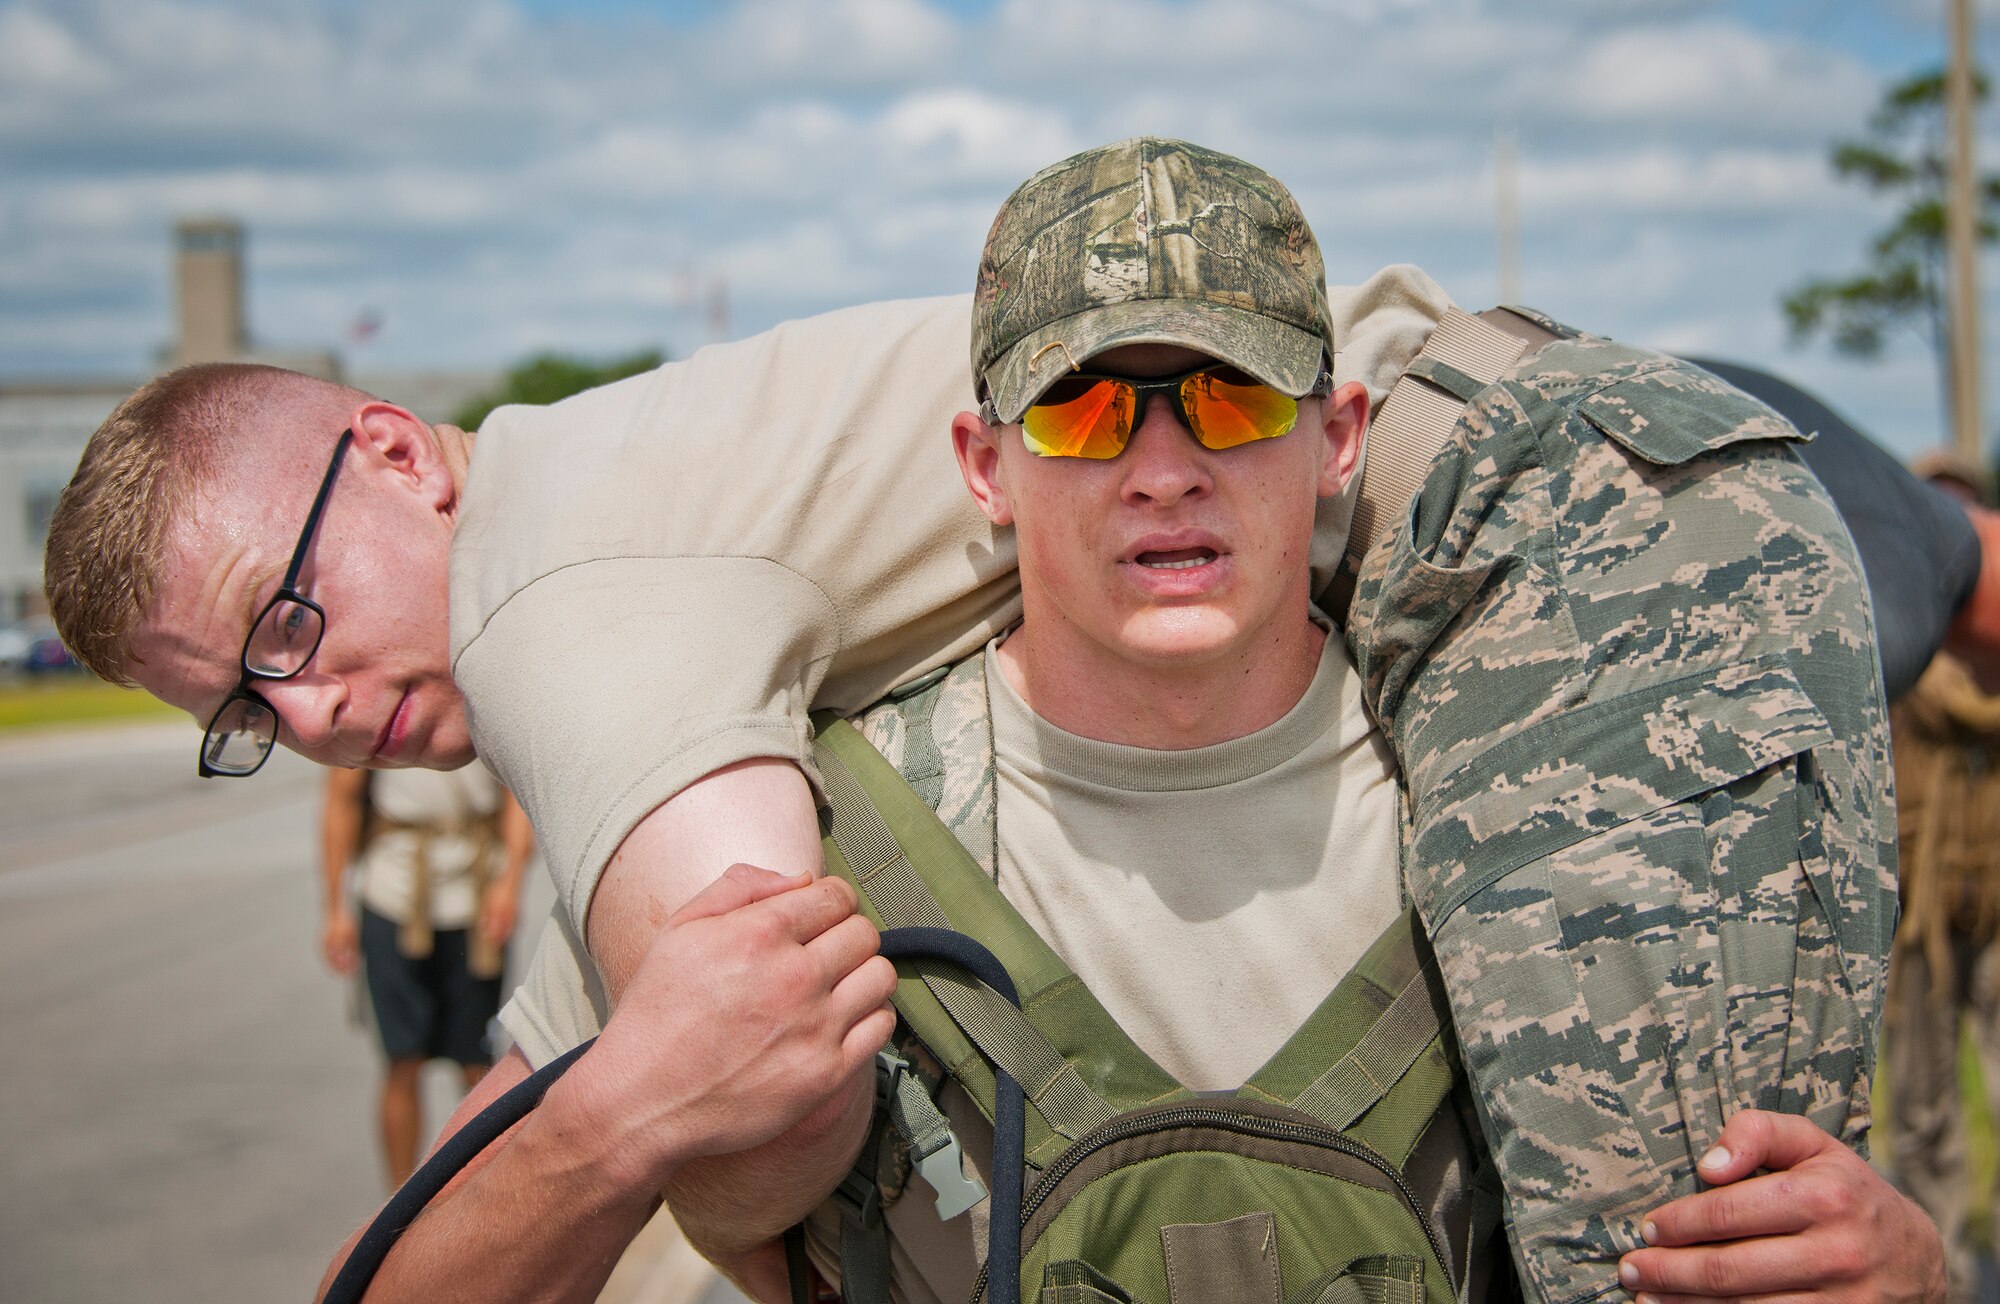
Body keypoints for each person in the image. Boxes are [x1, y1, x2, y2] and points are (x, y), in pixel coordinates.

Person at [43, 137, 1951, 1298]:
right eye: (243, 708)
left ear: (397, 450)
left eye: (285, 621)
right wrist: (623, 1111)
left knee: (1667, 1236)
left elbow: (761, 1090)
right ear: (980, 455)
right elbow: (520, 1180)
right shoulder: (768, 704)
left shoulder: (558, 595)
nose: (314, 713)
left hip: (1582, 498)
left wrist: (1916, 1269)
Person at [1883, 450, 2000, 1304]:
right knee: (1921, 1104)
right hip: (1917, 898)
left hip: (1996, 895)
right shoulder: (1896, 624)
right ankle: (1943, 1275)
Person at [320, 762, 532, 1188]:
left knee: (477, 1063)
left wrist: (509, 883)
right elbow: (341, 797)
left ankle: (485, 1194)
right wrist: (335, 908)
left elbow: (516, 791)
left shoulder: (484, 696)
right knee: (402, 1059)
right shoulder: (373, 698)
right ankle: (395, 1204)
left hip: (475, 891)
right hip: (391, 891)